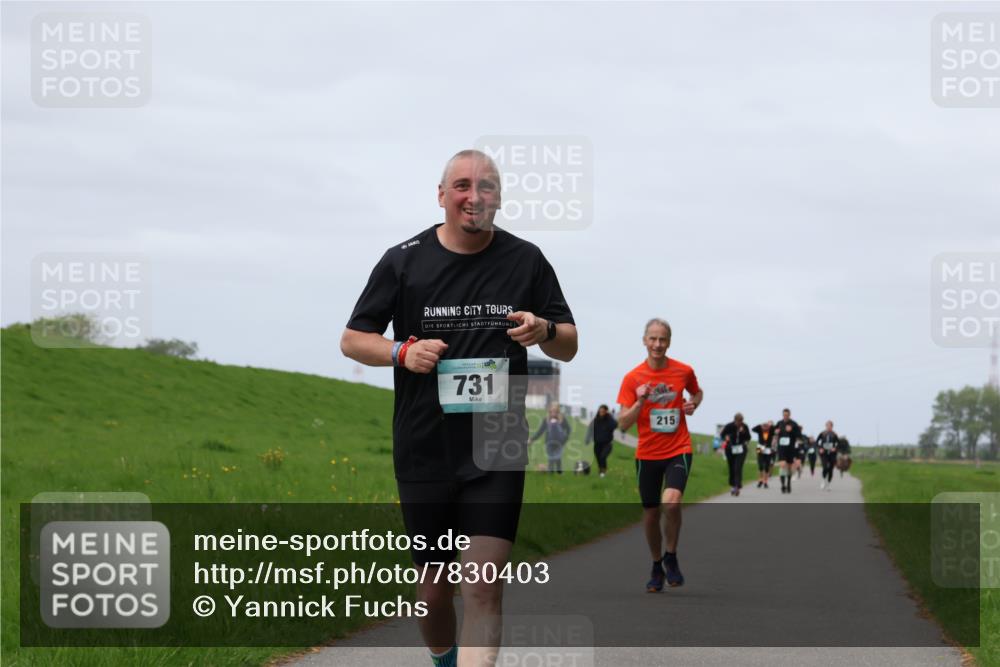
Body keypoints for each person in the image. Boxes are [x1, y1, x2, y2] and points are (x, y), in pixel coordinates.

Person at [340, 149, 577, 667]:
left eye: (487, 186)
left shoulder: (526, 259)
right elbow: (354, 340)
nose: (476, 196)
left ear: (499, 196)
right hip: (425, 443)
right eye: (464, 186)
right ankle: (444, 659)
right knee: (432, 594)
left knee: (483, 588)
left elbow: (569, 344)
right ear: (442, 195)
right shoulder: (404, 260)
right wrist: (403, 352)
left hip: (497, 442)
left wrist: (545, 330)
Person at [617, 318, 703, 592]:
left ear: (669, 342)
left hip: (678, 448)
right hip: (647, 454)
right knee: (652, 514)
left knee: (673, 502)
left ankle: (672, 555)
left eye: (662, 339)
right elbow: (623, 423)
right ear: (644, 341)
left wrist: (693, 404)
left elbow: (697, 392)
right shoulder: (632, 378)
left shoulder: (683, 371)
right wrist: (641, 401)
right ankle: (657, 565)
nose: (657, 344)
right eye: (652, 339)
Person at [531, 403, 572, 474]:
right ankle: (551, 473)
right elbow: (540, 431)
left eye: (555, 411)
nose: (553, 413)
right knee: (551, 458)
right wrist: (531, 439)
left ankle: (558, 472)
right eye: (552, 411)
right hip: (549, 443)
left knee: (557, 457)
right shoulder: (546, 420)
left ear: (558, 411)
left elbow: (568, 429)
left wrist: (565, 438)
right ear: (549, 411)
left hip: (560, 443)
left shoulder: (562, 419)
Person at [720, 412, 752, 496]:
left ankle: (737, 486)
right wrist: (725, 437)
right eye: (738, 421)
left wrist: (743, 432)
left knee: (738, 467)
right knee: (731, 467)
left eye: (741, 421)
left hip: (741, 449)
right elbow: (722, 435)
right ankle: (732, 485)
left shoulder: (745, 426)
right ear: (735, 420)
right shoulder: (729, 426)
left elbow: (748, 437)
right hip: (730, 448)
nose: (739, 423)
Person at [585, 404, 618, 477]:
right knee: (598, 458)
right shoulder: (595, 421)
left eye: (603, 411)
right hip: (597, 444)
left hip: (607, 444)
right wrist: (587, 439)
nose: (601, 413)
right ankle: (601, 471)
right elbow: (590, 430)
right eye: (600, 411)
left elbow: (615, 425)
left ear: (606, 412)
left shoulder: (609, 420)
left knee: (603, 456)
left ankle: (603, 472)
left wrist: (609, 416)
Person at [774, 408, 802, 494]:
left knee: (789, 468)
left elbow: (799, 435)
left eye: (787, 415)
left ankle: (789, 483)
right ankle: (783, 485)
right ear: (782, 415)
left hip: (790, 448)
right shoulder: (779, 423)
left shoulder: (794, 424)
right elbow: (774, 432)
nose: (785, 416)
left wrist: (792, 431)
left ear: (789, 415)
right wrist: (776, 432)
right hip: (781, 448)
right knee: (782, 465)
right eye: (784, 415)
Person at [752, 420, 775, 488]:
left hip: (768, 448)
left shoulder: (771, 431)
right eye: (765, 426)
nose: (766, 427)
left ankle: (765, 481)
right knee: (760, 465)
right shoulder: (760, 429)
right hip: (760, 447)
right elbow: (753, 429)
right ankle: (760, 480)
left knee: (767, 466)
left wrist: (771, 425)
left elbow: (775, 429)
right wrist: (760, 425)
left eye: (767, 426)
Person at [816, 421, 839, 490]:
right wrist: (820, 448)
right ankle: (823, 480)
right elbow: (817, 442)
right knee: (825, 467)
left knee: (830, 469)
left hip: (832, 454)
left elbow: (838, 444)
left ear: (832, 426)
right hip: (824, 453)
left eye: (830, 426)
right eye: (827, 426)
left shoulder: (834, 434)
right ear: (825, 426)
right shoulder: (822, 433)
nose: (828, 427)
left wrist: (835, 448)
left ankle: (828, 484)